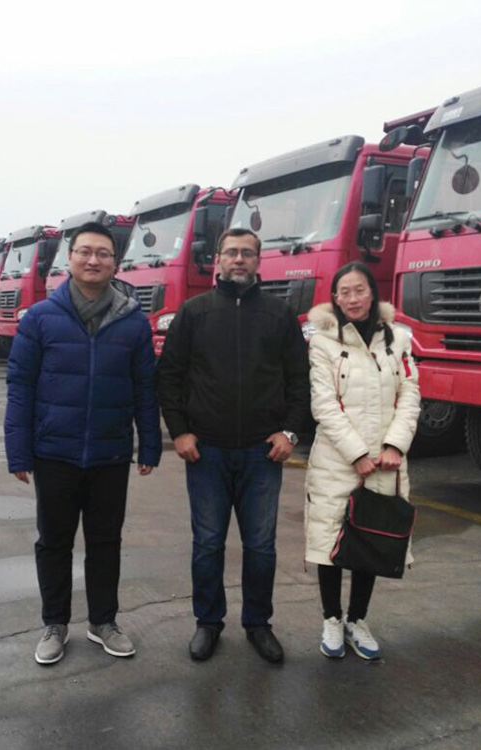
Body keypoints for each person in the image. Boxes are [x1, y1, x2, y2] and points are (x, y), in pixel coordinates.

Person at [4, 221, 161, 666]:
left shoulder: (133, 323)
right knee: (53, 541)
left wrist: (148, 445)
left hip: (110, 454)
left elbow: (144, 387)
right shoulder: (39, 319)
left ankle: (103, 621)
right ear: (69, 259)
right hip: (55, 452)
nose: (93, 260)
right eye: (85, 252)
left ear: (115, 262)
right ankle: (54, 623)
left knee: (105, 540)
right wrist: (18, 450)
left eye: (103, 254)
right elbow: (20, 385)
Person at [156, 227, 310, 663]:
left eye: (247, 253)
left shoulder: (279, 315)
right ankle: (208, 623)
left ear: (259, 261)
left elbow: (300, 381)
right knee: (208, 543)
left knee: (261, 546)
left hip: (264, 452)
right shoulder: (195, 312)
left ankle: (258, 624)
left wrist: (290, 433)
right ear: (217, 260)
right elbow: (169, 375)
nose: (239, 260)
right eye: (231, 253)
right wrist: (180, 431)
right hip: (206, 451)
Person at [303, 261, 420, 660]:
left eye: (359, 290)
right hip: (337, 460)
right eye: (344, 292)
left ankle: (358, 619)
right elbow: (324, 404)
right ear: (334, 298)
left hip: (386, 460)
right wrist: (356, 454)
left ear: (373, 293)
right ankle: (332, 619)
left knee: (372, 539)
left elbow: (410, 396)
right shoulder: (322, 342)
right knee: (331, 542)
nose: (352, 299)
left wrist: (394, 446)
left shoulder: (398, 339)